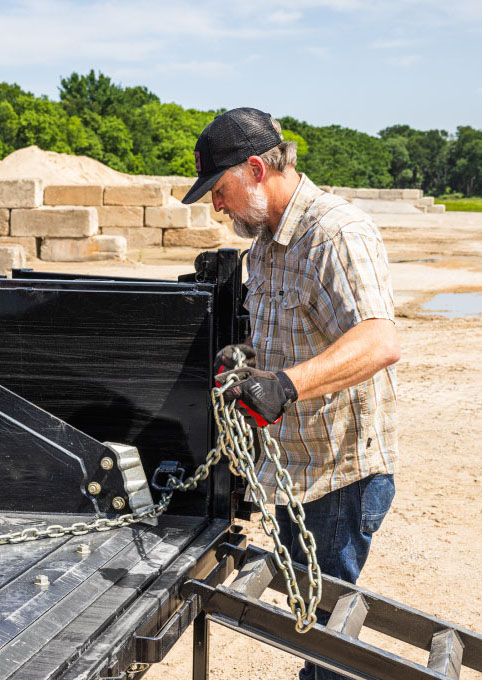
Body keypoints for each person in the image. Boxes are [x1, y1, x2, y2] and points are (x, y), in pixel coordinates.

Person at [182, 108, 399, 680]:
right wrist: (245, 358)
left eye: (220, 190)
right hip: (296, 468)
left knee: (331, 640)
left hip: (340, 472)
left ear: (256, 169)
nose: (217, 206)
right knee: (312, 621)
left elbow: (378, 341)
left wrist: (286, 385)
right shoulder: (267, 246)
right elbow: (282, 335)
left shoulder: (335, 233)